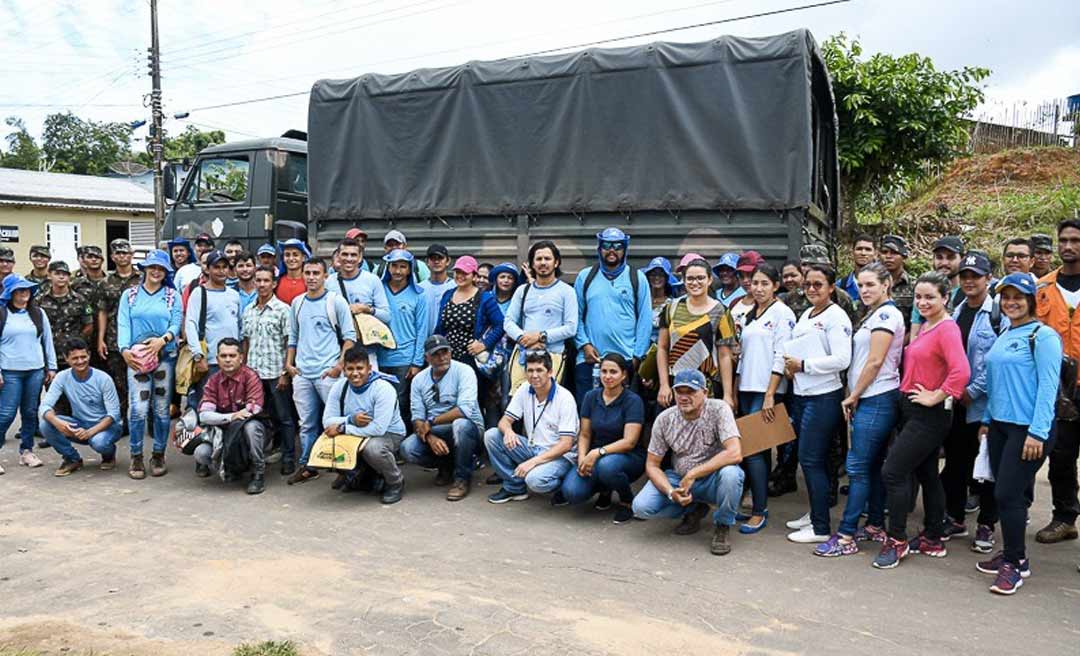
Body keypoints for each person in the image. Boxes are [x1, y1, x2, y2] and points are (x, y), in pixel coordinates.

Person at [874, 271, 970, 569]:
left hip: (929, 415)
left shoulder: (947, 329)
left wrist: (936, 396)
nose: (923, 302)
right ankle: (932, 536)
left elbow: (962, 371)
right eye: (919, 297)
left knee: (893, 471)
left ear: (945, 298)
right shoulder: (928, 326)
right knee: (927, 473)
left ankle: (897, 538)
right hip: (912, 409)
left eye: (930, 297)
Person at [977, 272, 1062, 594]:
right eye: (1006, 297)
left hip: (1028, 429)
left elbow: (1047, 388)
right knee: (1008, 492)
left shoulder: (1043, 337)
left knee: (1007, 495)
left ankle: (1016, 562)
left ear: (1031, 300)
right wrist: (986, 420)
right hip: (1000, 425)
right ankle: (1011, 553)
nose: (1011, 302)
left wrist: (1037, 433)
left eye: (1018, 297)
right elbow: (996, 383)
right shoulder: (1006, 332)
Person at [814, 263, 903, 556]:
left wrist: (854, 395)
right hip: (871, 397)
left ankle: (846, 536)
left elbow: (875, 361)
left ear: (886, 284)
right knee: (873, 466)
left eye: (870, 285)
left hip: (876, 397)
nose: (864, 290)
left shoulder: (887, 315)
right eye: (861, 285)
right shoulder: (873, 314)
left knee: (858, 468)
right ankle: (875, 524)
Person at [631, 370, 744, 556]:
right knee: (641, 507)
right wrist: (670, 491)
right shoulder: (665, 419)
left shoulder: (719, 409)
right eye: (679, 392)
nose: (684, 397)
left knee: (732, 474)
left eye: (690, 392)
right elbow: (652, 465)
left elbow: (735, 452)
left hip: (712, 479)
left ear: (705, 393)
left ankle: (723, 525)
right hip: (680, 479)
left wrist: (694, 473)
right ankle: (694, 508)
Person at [939, 252, 1007, 545]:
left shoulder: (998, 314)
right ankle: (954, 518)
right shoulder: (956, 310)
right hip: (955, 402)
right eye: (965, 275)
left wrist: (973, 391)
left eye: (975, 276)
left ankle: (987, 524)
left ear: (988, 279)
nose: (969, 281)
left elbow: (998, 362)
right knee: (956, 462)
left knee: (986, 468)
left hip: (984, 405)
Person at [782, 264, 852, 543]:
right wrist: (791, 367)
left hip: (823, 396)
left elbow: (841, 359)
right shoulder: (807, 314)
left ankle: (821, 526)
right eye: (808, 284)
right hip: (803, 394)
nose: (812, 289)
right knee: (810, 459)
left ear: (831, 288)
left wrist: (804, 365)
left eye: (818, 284)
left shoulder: (837, 317)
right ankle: (814, 513)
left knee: (812, 459)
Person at [735, 264, 795, 534]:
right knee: (747, 451)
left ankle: (759, 511)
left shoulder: (783, 314)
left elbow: (782, 355)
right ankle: (751, 505)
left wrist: (771, 393)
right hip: (746, 388)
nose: (758, 288)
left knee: (756, 450)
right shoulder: (750, 314)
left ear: (775, 285)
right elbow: (742, 357)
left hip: (766, 389)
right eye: (754, 283)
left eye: (764, 283)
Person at [285, 257, 356, 485]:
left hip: (328, 373)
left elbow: (349, 338)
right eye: (308, 273)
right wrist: (289, 365)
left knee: (336, 421)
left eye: (316, 273)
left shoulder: (336, 302)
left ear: (326, 276)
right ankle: (308, 465)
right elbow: (293, 337)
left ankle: (345, 469)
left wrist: (338, 366)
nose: (312, 277)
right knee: (306, 423)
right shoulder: (297, 303)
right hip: (303, 373)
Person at [1034, 219, 1080, 545]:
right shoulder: (1042, 288)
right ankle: (1064, 518)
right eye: (1063, 239)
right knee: (1061, 456)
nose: (1068, 246)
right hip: (1060, 390)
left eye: (1075, 240)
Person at [118, 249, 182, 480]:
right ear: (144, 269)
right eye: (152, 267)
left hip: (164, 357)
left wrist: (162, 341)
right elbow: (123, 323)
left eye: (161, 268)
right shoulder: (130, 296)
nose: (156, 272)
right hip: (137, 360)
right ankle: (136, 455)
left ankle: (158, 454)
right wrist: (124, 350)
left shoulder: (172, 296)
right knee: (138, 409)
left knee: (162, 410)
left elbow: (176, 324)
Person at [559, 353, 646, 523]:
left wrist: (597, 453)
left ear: (624, 374)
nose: (607, 376)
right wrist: (583, 458)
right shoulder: (591, 396)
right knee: (572, 492)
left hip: (627, 457)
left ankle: (627, 500)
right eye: (603, 371)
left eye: (613, 372)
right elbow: (584, 434)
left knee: (608, 466)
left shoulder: (633, 400)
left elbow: (630, 442)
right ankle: (605, 489)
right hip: (595, 456)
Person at [484, 349, 578, 503]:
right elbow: (504, 421)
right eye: (530, 370)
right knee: (492, 435)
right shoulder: (524, 389)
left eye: (539, 370)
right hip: (533, 447)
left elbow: (566, 444)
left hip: (560, 455)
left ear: (550, 372)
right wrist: (508, 431)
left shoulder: (565, 398)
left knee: (534, 480)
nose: (534, 375)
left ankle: (562, 484)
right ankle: (515, 488)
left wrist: (532, 463)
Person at [401, 335, 485, 501]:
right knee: (407, 448)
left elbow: (464, 410)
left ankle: (462, 478)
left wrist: (431, 422)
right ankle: (446, 466)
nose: (441, 357)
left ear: (451, 352)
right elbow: (417, 416)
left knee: (460, 425)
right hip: (435, 430)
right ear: (427, 358)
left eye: (444, 352)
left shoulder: (464, 371)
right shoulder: (419, 380)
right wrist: (430, 436)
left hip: (469, 429)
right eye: (435, 354)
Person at [573, 228, 651, 403]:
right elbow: (574, 316)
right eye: (606, 245)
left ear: (625, 249)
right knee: (586, 414)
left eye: (618, 246)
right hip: (590, 360)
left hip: (625, 360)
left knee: (624, 417)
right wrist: (584, 345)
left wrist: (637, 357)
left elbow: (645, 321)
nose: (612, 250)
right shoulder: (585, 277)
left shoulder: (637, 278)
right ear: (599, 248)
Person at [323, 345, 407, 504]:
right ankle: (355, 475)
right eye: (350, 368)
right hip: (356, 430)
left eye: (360, 368)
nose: (355, 373)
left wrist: (343, 427)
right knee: (327, 439)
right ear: (344, 370)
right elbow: (327, 421)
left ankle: (395, 482)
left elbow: (378, 428)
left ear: (369, 368)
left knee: (373, 448)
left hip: (388, 434)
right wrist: (350, 420)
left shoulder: (383, 389)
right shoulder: (339, 387)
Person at [656, 258, 737, 410]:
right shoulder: (671, 308)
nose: (695, 283)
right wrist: (664, 384)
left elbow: (725, 355)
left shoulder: (721, 311)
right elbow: (662, 348)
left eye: (700, 278)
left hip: (708, 386)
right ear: (684, 281)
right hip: (677, 384)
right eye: (690, 278)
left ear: (710, 280)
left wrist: (727, 394)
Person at [241, 265, 298, 476]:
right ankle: (256, 456)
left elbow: (290, 342)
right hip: (254, 374)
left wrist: (285, 371)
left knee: (284, 416)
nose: (262, 284)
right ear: (254, 282)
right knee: (259, 416)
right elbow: (245, 342)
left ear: (274, 284)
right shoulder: (249, 310)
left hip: (276, 373)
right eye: (259, 280)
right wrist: (244, 370)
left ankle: (289, 457)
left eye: (266, 280)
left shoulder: (283, 310)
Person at [194, 338, 268, 494]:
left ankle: (258, 472)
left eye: (232, 356)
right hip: (222, 432)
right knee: (201, 453)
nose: (228, 360)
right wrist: (231, 416)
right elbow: (204, 415)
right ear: (217, 359)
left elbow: (254, 409)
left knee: (251, 427)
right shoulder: (213, 381)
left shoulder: (250, 376)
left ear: (241, 357)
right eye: (223, 356)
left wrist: (224, 417)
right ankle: (230, 467)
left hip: (246, 431)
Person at [39, 338, 122, 476]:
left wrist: (89, 433)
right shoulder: (62, 377)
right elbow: (45, 405)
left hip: (107, 427)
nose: (80, 361)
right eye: (75, 358)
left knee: (99, 442)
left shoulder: (103, 379)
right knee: (45, 424)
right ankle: (72, 458)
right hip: (80, 424)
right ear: (66, 359)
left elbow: (114, 414)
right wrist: (57, 422)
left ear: (89, 355)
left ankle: (109, 454)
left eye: (83, 357)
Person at [503, 241, 578, 394]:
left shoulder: (567, 291)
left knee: (545, 404)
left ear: (556, 262)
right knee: (518, 404)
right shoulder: (522, 290)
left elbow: (571, 327)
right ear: (532, 264)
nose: (543, 263)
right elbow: (508, 322)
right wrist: (524, 338)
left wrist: (541, 336)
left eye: (547, 258)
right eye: (538, 259)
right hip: (523, 355)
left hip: (553, 356)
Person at [0, 274, 57, 472]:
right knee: (6, 414)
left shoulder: (38, 313)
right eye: (19, 289)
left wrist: (52, 367)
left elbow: (47, 341)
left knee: (30, 412)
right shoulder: (2, 313)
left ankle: (27, 451)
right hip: (9, 371)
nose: (24, 292)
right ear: (10, 293)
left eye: (26, 289)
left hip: (35, 370)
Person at [184, 251, 242, 406]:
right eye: (217, 267)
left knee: (230, 405)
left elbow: (240, 325)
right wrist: (198, 355)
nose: (221, 271)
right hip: (209, 362)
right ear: (208, 269)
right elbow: (190, 324)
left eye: (225, 267)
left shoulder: (234, 295)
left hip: (233, 361)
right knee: (206, 406)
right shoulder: (199, 293)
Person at [378, 249, 428, 416]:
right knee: (380, 402)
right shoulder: (379, 289)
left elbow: (422, 330)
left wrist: (417, 362)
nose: (398, 271)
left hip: (404, 359)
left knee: (401, 403)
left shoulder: (419, 295)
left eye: (403, 267)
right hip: (379, 356)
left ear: (409, 269)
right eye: (394, 266)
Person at [97, 239, 142, 425]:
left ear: (131, 255)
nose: (122, 256)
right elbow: (102, 312)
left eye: (126, 253)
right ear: (113, 257)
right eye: (118, 253)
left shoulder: (143, 278)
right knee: (119, 384)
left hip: (140, 339)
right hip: (115, 339)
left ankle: (144, 420)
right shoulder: (106, 282)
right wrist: (101, 339)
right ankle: (121, 420)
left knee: (143, 382)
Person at [435, 255, 504, 369]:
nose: (460, 276)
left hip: (471, 359)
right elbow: (439, 327)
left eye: (465, 273)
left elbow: (501, 325)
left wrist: (484, 344)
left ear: (474, 276)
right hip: (447, 358)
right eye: (457, 272)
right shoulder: (448, 295)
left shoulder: (485, 298)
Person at [327, 237, 391, 331]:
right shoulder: (329, 282)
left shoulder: (372, 280)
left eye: (353, 255)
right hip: (338, 341)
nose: (349, 259)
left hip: (366, 341)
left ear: (360, 257)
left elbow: (387, 316)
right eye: (345, 254)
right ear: (338, 256)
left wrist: (367, 309)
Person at [36, 260, 93, 366]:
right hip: (47, 354)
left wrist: (76, 341)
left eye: (65, 274)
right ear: (49, 275)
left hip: (73, 356)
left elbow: (89, 325)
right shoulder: (40, 300)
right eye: (57, 274)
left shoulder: (80, 300)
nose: (61, 277)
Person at [910, 236, 965, 339]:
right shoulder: (923, 293)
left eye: (950, 257)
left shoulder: (968, 292)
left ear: (962, 259)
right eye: (939, 257)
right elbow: (914, 336)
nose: (944, 263)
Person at [71, 245, 106, 366]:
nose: (94, 260)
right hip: (84, 338)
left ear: (102, 260)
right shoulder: (76, 284)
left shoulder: (110, 282)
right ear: (84, 260)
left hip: (109, 337)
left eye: (97, 257)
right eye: (90, 257)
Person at [879, 235, 915, 332]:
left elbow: (918, 322)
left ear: (903, 256)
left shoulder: (914, 286)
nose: (888, 256)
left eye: (894, 253)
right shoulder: (873, 284)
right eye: (884, 252)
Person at [419, 243, 454, 335]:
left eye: (440, 258)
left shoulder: (456, 287)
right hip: (425, 343)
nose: (436, 262)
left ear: (448, 261)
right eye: (433, 258)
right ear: (427, 261)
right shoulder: (419, 288)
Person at [643, 257, 678, 345]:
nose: (657, 278)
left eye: (661, 275)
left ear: (667, 278)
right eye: (653, 274)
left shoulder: (672, 304)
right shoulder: (641, 300)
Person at [729, 251, 765, 328]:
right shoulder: (734, 303)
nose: (745, 280)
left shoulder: (774, 305)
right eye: (741, 276)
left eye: (750, 275)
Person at [839, 233, 877, 300]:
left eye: (868, 249)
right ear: (852, 253)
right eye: (859, 249)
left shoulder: (882, 285)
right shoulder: (840, 285)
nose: (863, 253)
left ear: (875, 254)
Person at [275, 239, 311, 304]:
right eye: (287, 255)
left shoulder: (310, 281)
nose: (291, 259)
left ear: (303, 258)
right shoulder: (277, 282)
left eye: (295, 255)